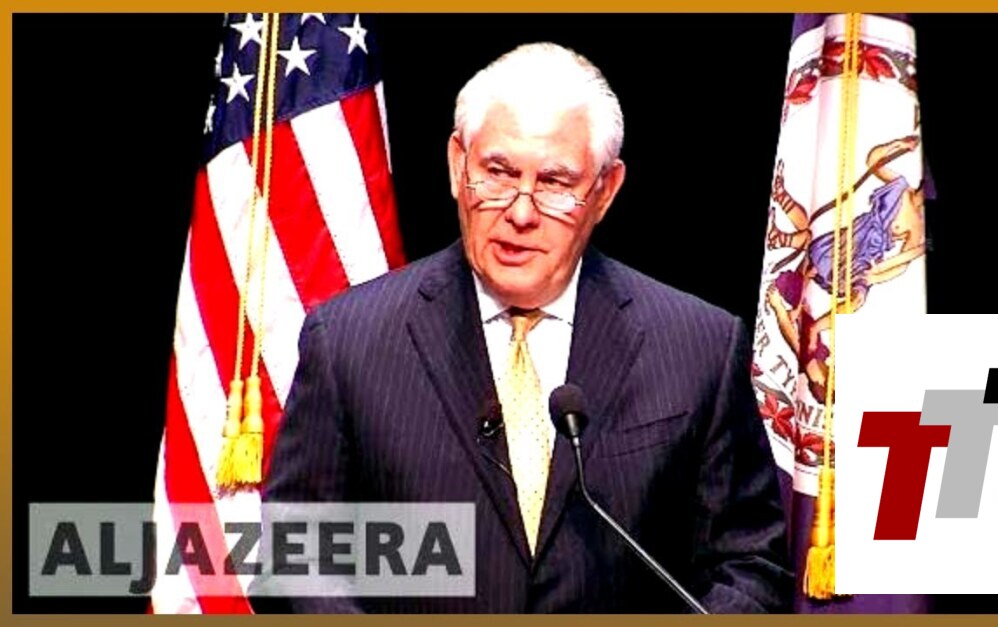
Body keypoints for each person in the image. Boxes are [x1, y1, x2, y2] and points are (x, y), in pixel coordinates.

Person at [262, 41, 791, 613]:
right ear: (457, 164)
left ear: (604, 191)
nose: (520, 211)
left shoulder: (696, 347)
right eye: (498, 172)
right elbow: (294, 556)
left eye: (556, 183)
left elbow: (749, 567)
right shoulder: (349, 341)